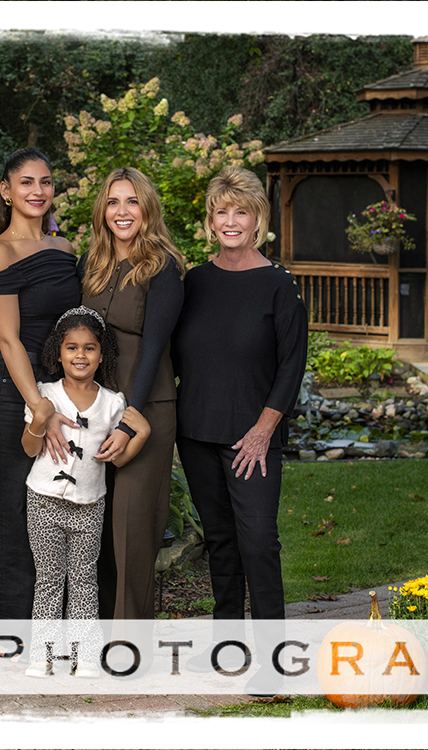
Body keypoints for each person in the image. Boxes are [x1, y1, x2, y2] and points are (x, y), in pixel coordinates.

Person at [172, 165, 308, 692]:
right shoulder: (195, 282)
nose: (231, 221)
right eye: (221, 211)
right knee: (221, 542)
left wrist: (262, 431)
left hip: (253, 439)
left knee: (258, 542)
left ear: (257, 221)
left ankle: (273, 660)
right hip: (198, 433)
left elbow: (290, 365)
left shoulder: (280, 285)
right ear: (210, 221)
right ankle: (226, 647)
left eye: (241, 212)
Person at [52, 167, 185, 621]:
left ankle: (130, 646)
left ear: (146, 208)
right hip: (94, 406)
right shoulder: (91, 264)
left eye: (131, 201)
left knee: (131, 528)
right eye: (113, 202)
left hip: (144, 407)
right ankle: (96, 635)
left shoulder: (163, 267)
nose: (122, 211)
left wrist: (130, 419)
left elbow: (154, 348)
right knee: (96, 525)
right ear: (102, 210)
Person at [0, 148, 82, 632]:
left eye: (46, 182)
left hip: (58, 395)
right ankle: (4, 630)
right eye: (26, 183)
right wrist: (39, 406)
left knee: (57, 509)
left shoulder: (63, 250)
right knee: (13, 511)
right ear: (6, 190)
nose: (38, 191)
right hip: (12, 397)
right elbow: (7, 339)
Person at [19, 307, 150, 677]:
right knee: (48, 578)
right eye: (72, 348)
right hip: (43, 500)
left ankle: (85, 657)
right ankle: (42, 656)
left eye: (90, 348)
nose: (80, 355)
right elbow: (29, 449)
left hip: (90, 506)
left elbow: (119, 460)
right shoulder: (45, 395)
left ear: (102, 354)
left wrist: (141, 434)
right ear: (58, 353)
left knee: (83, 580)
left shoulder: (112, 403)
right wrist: (40, 420)